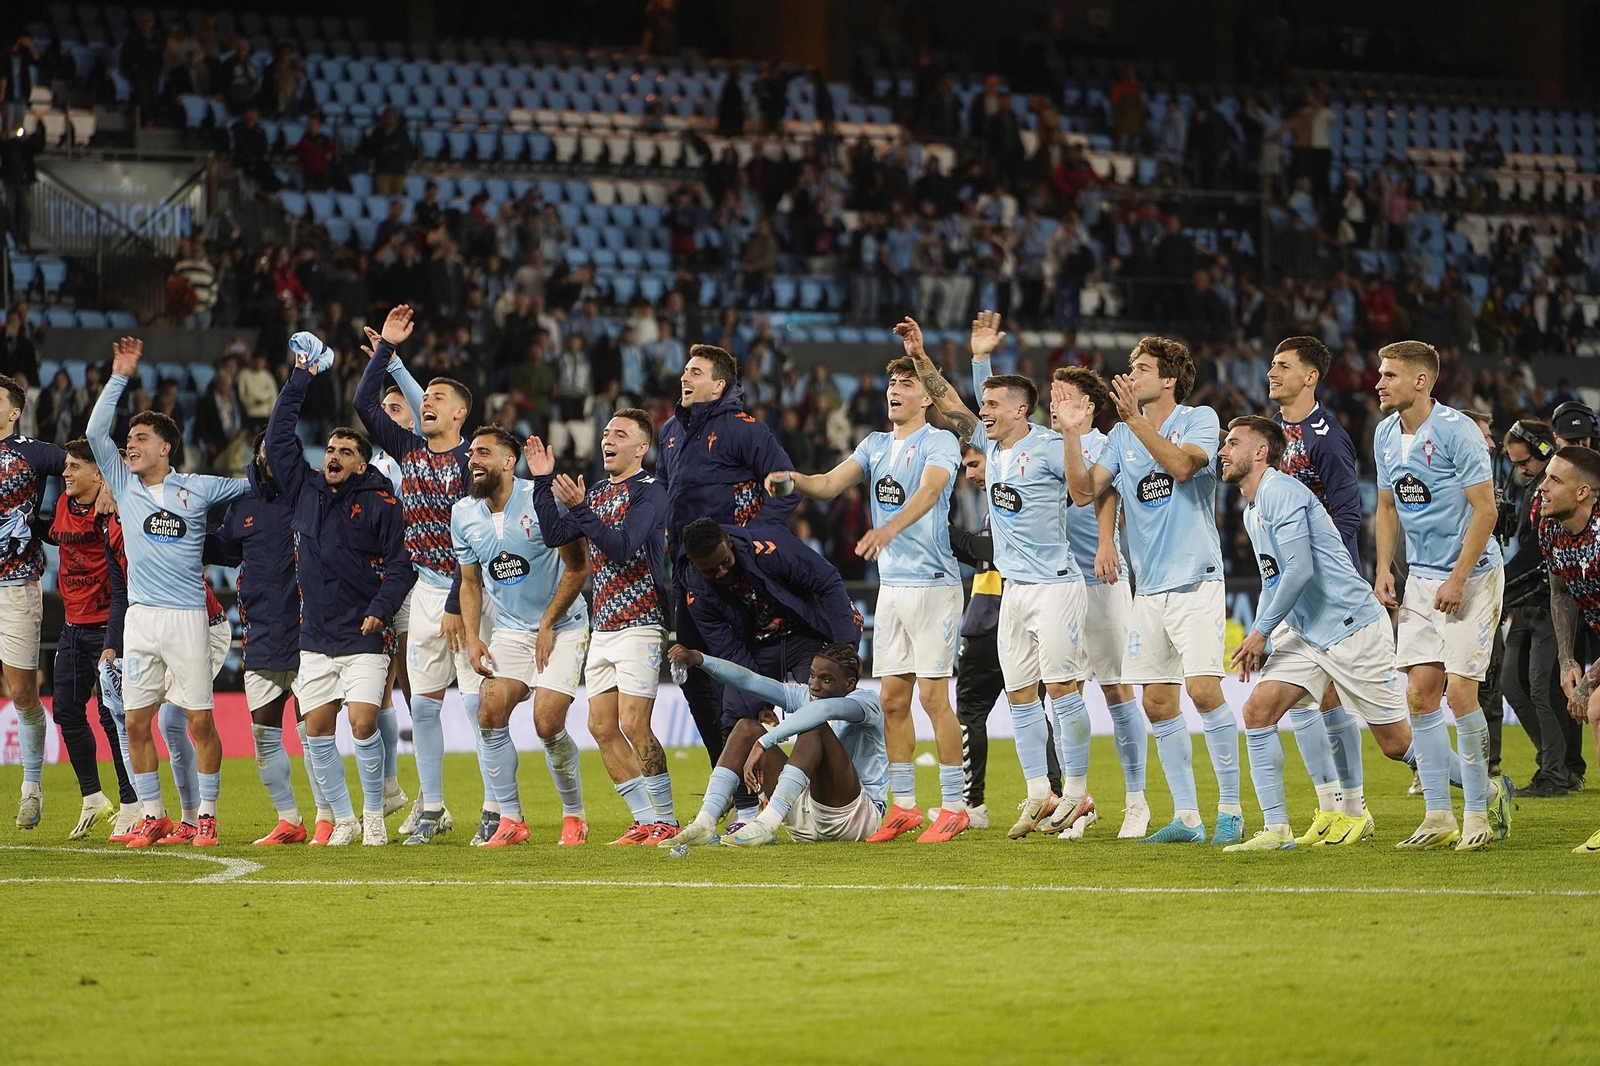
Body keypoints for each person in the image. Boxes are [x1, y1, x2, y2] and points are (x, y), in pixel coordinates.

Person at [764, 351, 969, 843]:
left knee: (933, 697)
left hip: (935, 585)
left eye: (906, 383)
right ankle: (903, 806)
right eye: (892, 382)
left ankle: (956, 806)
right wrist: (794, 480)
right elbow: (831, 483)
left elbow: (930, 489)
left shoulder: (939, 441)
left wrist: (888, 528)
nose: (895, 390)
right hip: (894, 588)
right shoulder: (876, 444)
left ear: (926, 396)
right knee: (893, 700)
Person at [905, 311, 1095, 841]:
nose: (981, 413)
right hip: (1012, 593)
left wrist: (1076, 435)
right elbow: (947, 401)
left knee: (1061, 690)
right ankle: (1039, 791)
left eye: (992, 405)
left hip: (1057, 586)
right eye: (982, 404)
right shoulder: (990, 446)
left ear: (1020, 410)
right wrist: (940, 357)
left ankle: (1076, 793)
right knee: (1020, 695)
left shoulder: (1053, 447)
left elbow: (1082, 495)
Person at [1058, 336, 1244, 845]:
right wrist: (1074, 436)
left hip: (1196, 580)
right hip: (1149, 590)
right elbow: (1082, 492)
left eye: (1141, 369)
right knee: (1158, 704)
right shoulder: (1119, 438)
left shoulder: (1199, 418)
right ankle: (1187, 817)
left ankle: (1231, 808)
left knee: (1203, 692)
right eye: (1130, 367)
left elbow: (1183, 468)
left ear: (1167, 380)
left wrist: (1135, 423)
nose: (1130, 375)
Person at [1219, 417, 1417, 850]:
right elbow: (1274, 580)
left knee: (1396, 745)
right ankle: (1276, 830)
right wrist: (1261, 633)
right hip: (1310, 634)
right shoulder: (1253, 509)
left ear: (1259, 453)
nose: (1222, 451)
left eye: (1232, 443)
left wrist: (1261, 634)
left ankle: (1485, 790)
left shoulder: (1280, 491)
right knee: (1257, 711)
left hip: (1352, 628)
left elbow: (1299, 569)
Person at [86, 338, 249, 847]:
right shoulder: (123, 482)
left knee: (200, 722)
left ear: (164, 447)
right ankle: (153, 813)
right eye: (128, 438)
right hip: (141, 619)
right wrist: (120, 375)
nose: (129, 444)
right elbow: (94, 431)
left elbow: (254, 488)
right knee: (134, 721)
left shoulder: (197, 488)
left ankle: (206, 816)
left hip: (186, 618)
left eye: (140, 437)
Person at [267, 337, 415, 845]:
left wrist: (379, 610)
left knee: (362, 721)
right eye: (330, 449)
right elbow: (279, 437)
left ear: (360, 464)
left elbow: (401, 567)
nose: (333, 456)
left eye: (345, 452)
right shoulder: (305, 488)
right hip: (316, 636)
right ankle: (346, 820)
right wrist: (301, 377)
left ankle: (374, 815)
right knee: (316, 731)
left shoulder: (381, 503)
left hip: (364, 632)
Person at [355, 305, 489, 845]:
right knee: (426, 702)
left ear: (459, 416)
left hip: (474, 592)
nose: (424, 404)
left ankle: (498, 807)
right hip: (426, 589)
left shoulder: (473, 465)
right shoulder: (407, 448)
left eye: (437, 400)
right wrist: (386, 352)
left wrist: (460, 598)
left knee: (482, 706)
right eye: (422, 398)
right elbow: (364, 403)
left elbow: (476, 543)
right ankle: (431, 807)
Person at [1374, 340, 1512, 851]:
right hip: (1420, 580)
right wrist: (1384, 566)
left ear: (1420, 380)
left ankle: (1478, 811)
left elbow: (1487, 511)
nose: (1378, 382)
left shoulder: (1457, 432)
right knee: (1419, 694)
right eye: (1380, 374)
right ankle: (1438, 814)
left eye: (1389, 375)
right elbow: (1387, 508)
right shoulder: (1385, 433)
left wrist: (1457, 578)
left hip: (1472, 577)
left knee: (1459, 693)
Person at [656, 344, 798, 827]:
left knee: (742, 692)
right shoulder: (671, 433)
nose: (685, 376)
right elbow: (664, 501)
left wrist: (752, 542)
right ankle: (737, 800)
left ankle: (776, 794)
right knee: (697, 686)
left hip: (734, 577)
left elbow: (785, 485)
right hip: (686, 577)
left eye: (696, 371)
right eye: (684, 369)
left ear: (719, 385)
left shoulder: (743, 429)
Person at [527, 411, 679, 845]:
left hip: (641, 623)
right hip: (605, 624)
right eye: (607, 433)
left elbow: (622, 546)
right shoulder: (594, 493)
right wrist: (542, 481)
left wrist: (580, 509)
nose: (608, 439)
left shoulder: (651, 492)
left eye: (621, 434)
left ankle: (666, 821)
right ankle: (644, 820)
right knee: (600, 726)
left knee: (634, 724)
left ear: (641, 448)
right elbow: (556, 534)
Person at [665, 518, 861, 847]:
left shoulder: (770, 547)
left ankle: (838, 792)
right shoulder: (695, 589)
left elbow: (826, 579)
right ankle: (744, 812)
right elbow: (729, 650)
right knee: (736, 714)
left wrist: (844, 647)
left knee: (820, 705)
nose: (721, 573)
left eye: (725, 562)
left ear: (729, 541)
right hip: (756, 647)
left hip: (804, 633)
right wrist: (758, 705)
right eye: (711, 571)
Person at [453, 427, 591, 847]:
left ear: (509, 461)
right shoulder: (463, 513)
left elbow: (579, 566)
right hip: (512, 630)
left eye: (484, 452)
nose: (473, 459)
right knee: (489, 712)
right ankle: (510, 819)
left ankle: (574, 816)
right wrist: (474, 636)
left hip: (563, 625)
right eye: (471, 453)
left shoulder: (540, 498)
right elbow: (470, 582)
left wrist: (549, 622)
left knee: (547, 723)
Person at [1265, 336, 1370, 841]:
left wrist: (1339, 579)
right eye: (1271, 365)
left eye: (1283, 366)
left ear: (1311, 377)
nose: (1272, 372)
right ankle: (1332, 807)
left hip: (1324, 585)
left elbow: (1348, 511)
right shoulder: (1273, 434)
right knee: (1306, 699)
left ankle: (1354, 805)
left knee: (1331, 698)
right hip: (1290, 580)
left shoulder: (1325, 436)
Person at [1050, 365, 1149, 838]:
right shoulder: (1040, 444)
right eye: (1050, 395)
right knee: (1063, 692)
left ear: (1088, 406)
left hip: (1101, 579)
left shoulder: (1110, 443)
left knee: (1115, 689)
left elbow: (1099, 491)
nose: (1054, 404)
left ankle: (1136, 801)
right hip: (1057, 585)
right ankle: (1078, 802)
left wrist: (1107, 543)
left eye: (1064, 396)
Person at [667, 642, 887, 846]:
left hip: (854, 818)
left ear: (849, 684)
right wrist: (700, 658)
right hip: (804, 814)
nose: (814, 685)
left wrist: (764, 743)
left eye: (825, 679)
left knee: (816, 727)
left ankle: (767, 824)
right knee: (745, 728)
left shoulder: (866, 702)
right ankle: (705, 822)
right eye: (812, 675)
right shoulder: (806, 696)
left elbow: (824, 711)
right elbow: (750, 681)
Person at [948, 444, 1065, 827]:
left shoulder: (1008, 504)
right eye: (965, 467)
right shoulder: (1008, 503)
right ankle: (1055, 795)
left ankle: (974, 804)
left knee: (971, 715)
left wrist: (945, 532)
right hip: (1020, 620)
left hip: (990, 621)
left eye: (975, 464)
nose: (969, 474)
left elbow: (991, 552)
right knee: (1032, 710)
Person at [42, 440, 135, 838]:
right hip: (72, 626)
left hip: (107, 627)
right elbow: (58, 533)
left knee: (113, 717)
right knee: (64, 710)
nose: (66, 473)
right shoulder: (64, 502)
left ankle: (131, 802)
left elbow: (121, 579)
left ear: (98, 474)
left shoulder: (113, 511)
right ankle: (93, 797)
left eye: (75, 467)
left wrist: (114, 488)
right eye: (65, 465)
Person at [1501, 420, 1583, 796]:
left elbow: (1537, 551)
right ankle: (1559, 764)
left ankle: (1557, 773)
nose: (1522, 471)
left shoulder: (1555, 495)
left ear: (1545, 452)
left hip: (1549, 601)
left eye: (1526, 463)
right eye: (1516, 464)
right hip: (1526, 602)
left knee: (1539, 686)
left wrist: (1499, 587)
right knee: (1511, 685)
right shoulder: (1533, 493)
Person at [0, 372, 64, 829]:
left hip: (16, 584)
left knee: (22, 693)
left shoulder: (35, 454)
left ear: (15, 410)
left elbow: (85, 471)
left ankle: (31, 789)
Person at [1539, 446, 1600, 852]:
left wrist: (1588, 683)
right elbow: (1560, 590)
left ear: (1583, 493)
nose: (1542, 487)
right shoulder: (1550, 530)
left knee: (1596, 707)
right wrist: (1568, 661)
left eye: (1554, 480)